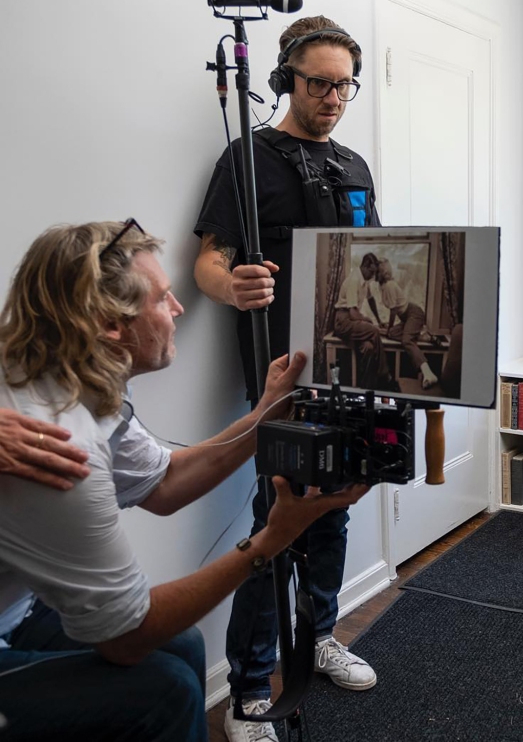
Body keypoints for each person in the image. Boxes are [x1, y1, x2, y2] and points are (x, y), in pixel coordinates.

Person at [0, 220, 370, 742]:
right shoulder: (62, 452)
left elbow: (167, 483)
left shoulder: (60, 376)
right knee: (164, 690)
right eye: (164, 299)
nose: (177, 311)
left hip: (16, 609)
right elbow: (125, 638)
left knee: (184, 647)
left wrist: (266, 414)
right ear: (110, 323)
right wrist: (270, 541)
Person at [193, 15, 381, 742]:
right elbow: (209, 257)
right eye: (320, 82)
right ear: (284, 80)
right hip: (282, 374)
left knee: (333, 510)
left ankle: (322, 635)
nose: (333, 96)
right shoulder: (247, 159)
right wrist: (228, 284)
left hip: (354, 369)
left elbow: (379, 257)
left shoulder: (355, 165)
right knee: (274, 527)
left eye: (344, 85)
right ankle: (247, 688)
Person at [332, 252, 398, 390]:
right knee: (373, 330)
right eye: (372, 272)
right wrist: (367, 320)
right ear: (366, 267)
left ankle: (367, 387)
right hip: (343, 322)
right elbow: (353, 313)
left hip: (351, 321)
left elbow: (370, 299)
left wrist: (379, 320)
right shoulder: (354, 280)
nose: (373, 276)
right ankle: (385, 374)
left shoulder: (364, 280)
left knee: (368, 347)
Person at [375, 257, 440, 389]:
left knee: (406, 341)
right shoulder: (382, 286)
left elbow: (393, 311)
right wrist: (389, 327)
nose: (387, 273)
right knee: (392, 333)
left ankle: (428, 373)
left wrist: (390, 327)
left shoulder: (389, 285)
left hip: (414, 313)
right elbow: (395, 309)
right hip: (406, 317)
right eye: (384, 271)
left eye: (387, 270)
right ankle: (422, 336)